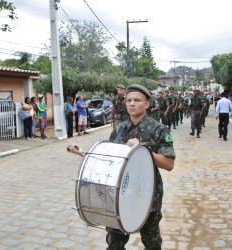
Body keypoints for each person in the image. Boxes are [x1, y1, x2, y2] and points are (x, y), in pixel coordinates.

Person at [66, 84, 175, 250]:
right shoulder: (119, 128)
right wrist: (82, 153)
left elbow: (169, 164)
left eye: (137, 100)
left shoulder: (159, 129)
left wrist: (143, 150)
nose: (132, 103)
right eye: (129, 100)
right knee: (114, 244)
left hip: (147, 196)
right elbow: (109, 158)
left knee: (151, 243)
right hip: (118, 196)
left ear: (146, 104)